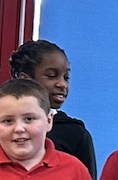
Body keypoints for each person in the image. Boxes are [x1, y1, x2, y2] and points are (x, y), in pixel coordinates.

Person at [11, 39, 94, 172]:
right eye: (51, 76)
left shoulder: (75, 134)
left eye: (66, 77)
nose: (62, 84)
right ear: (24, 79)